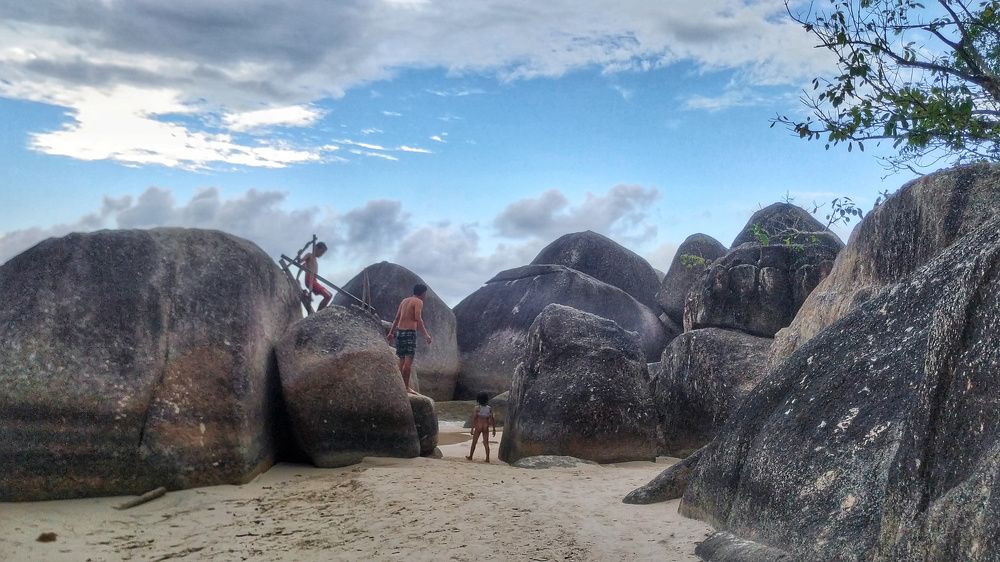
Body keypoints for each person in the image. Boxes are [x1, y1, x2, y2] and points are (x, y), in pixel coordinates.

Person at [386, 283, 432, 393]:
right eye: (425, 294)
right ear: (423, 293)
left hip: (400, 332)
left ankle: (399, 386)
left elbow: (397, 318)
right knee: (408, 362)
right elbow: (418, 318)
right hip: (410, 333)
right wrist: (426, 335)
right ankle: (405, 387)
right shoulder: (418, 301)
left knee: (401, 361)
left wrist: (391, 333)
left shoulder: (404, 301)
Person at [466, 392, 496, 462]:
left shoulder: (477, 408)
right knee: (486, 443)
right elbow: (492, 419)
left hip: (478, 425)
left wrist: (472, 429)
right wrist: (494, 429)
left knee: (474, 442)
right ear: (486, 399)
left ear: (478, 400)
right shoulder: (489, 408)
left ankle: (470, 456)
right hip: (485, 426)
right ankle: (487, 458)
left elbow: (474, 419)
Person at [301, 242, 332, 310]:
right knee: (328, 296)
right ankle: (319, 312)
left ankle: (319, 311)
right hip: (310, 280)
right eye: (321, 252)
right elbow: (299, 262)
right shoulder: (309, 255)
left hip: (314, 281)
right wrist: (299, 254)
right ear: (316, 248)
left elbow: (303, 266)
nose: (321, 255)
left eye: (323, 253)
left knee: (329, 295)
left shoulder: (314, 260)